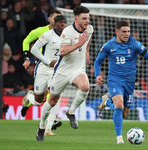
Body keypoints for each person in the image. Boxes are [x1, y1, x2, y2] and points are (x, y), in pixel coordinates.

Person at [94, 20, 148, 144]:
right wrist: (97, 75)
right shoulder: (109, 45)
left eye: (128, 31)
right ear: (117, 32)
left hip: (129, 83)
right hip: (115, 80)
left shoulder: (134, 44)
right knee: (119, 105)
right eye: (124, 32)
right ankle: (119, 138)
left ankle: (107, 102)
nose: (127, 34)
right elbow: (98, 61)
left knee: (124, 113)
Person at [35, 5, 93, 141]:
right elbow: (63, 51)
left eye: (88, 18)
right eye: (84, 18)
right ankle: (42, 126)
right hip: (61, 71)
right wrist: (80, 44)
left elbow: (87, 41)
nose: (87, 21)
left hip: (77, 69)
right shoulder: (67, 31)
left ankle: (71, 112)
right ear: (76, 19)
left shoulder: (89, 29)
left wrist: (87, 51)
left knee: (85, 87)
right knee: (52, 101)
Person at [21, 15, 67, 137]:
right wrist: (26, 58)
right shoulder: (41, 31)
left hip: (56, 69)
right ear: (50, 19)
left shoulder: (66, 34)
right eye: (56, 18)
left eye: (63, 21)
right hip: (43, 66)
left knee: (54, 95)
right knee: (39, 100)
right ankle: (29, 99)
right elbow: (27, 41)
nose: (61, 23)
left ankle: (48, 127)